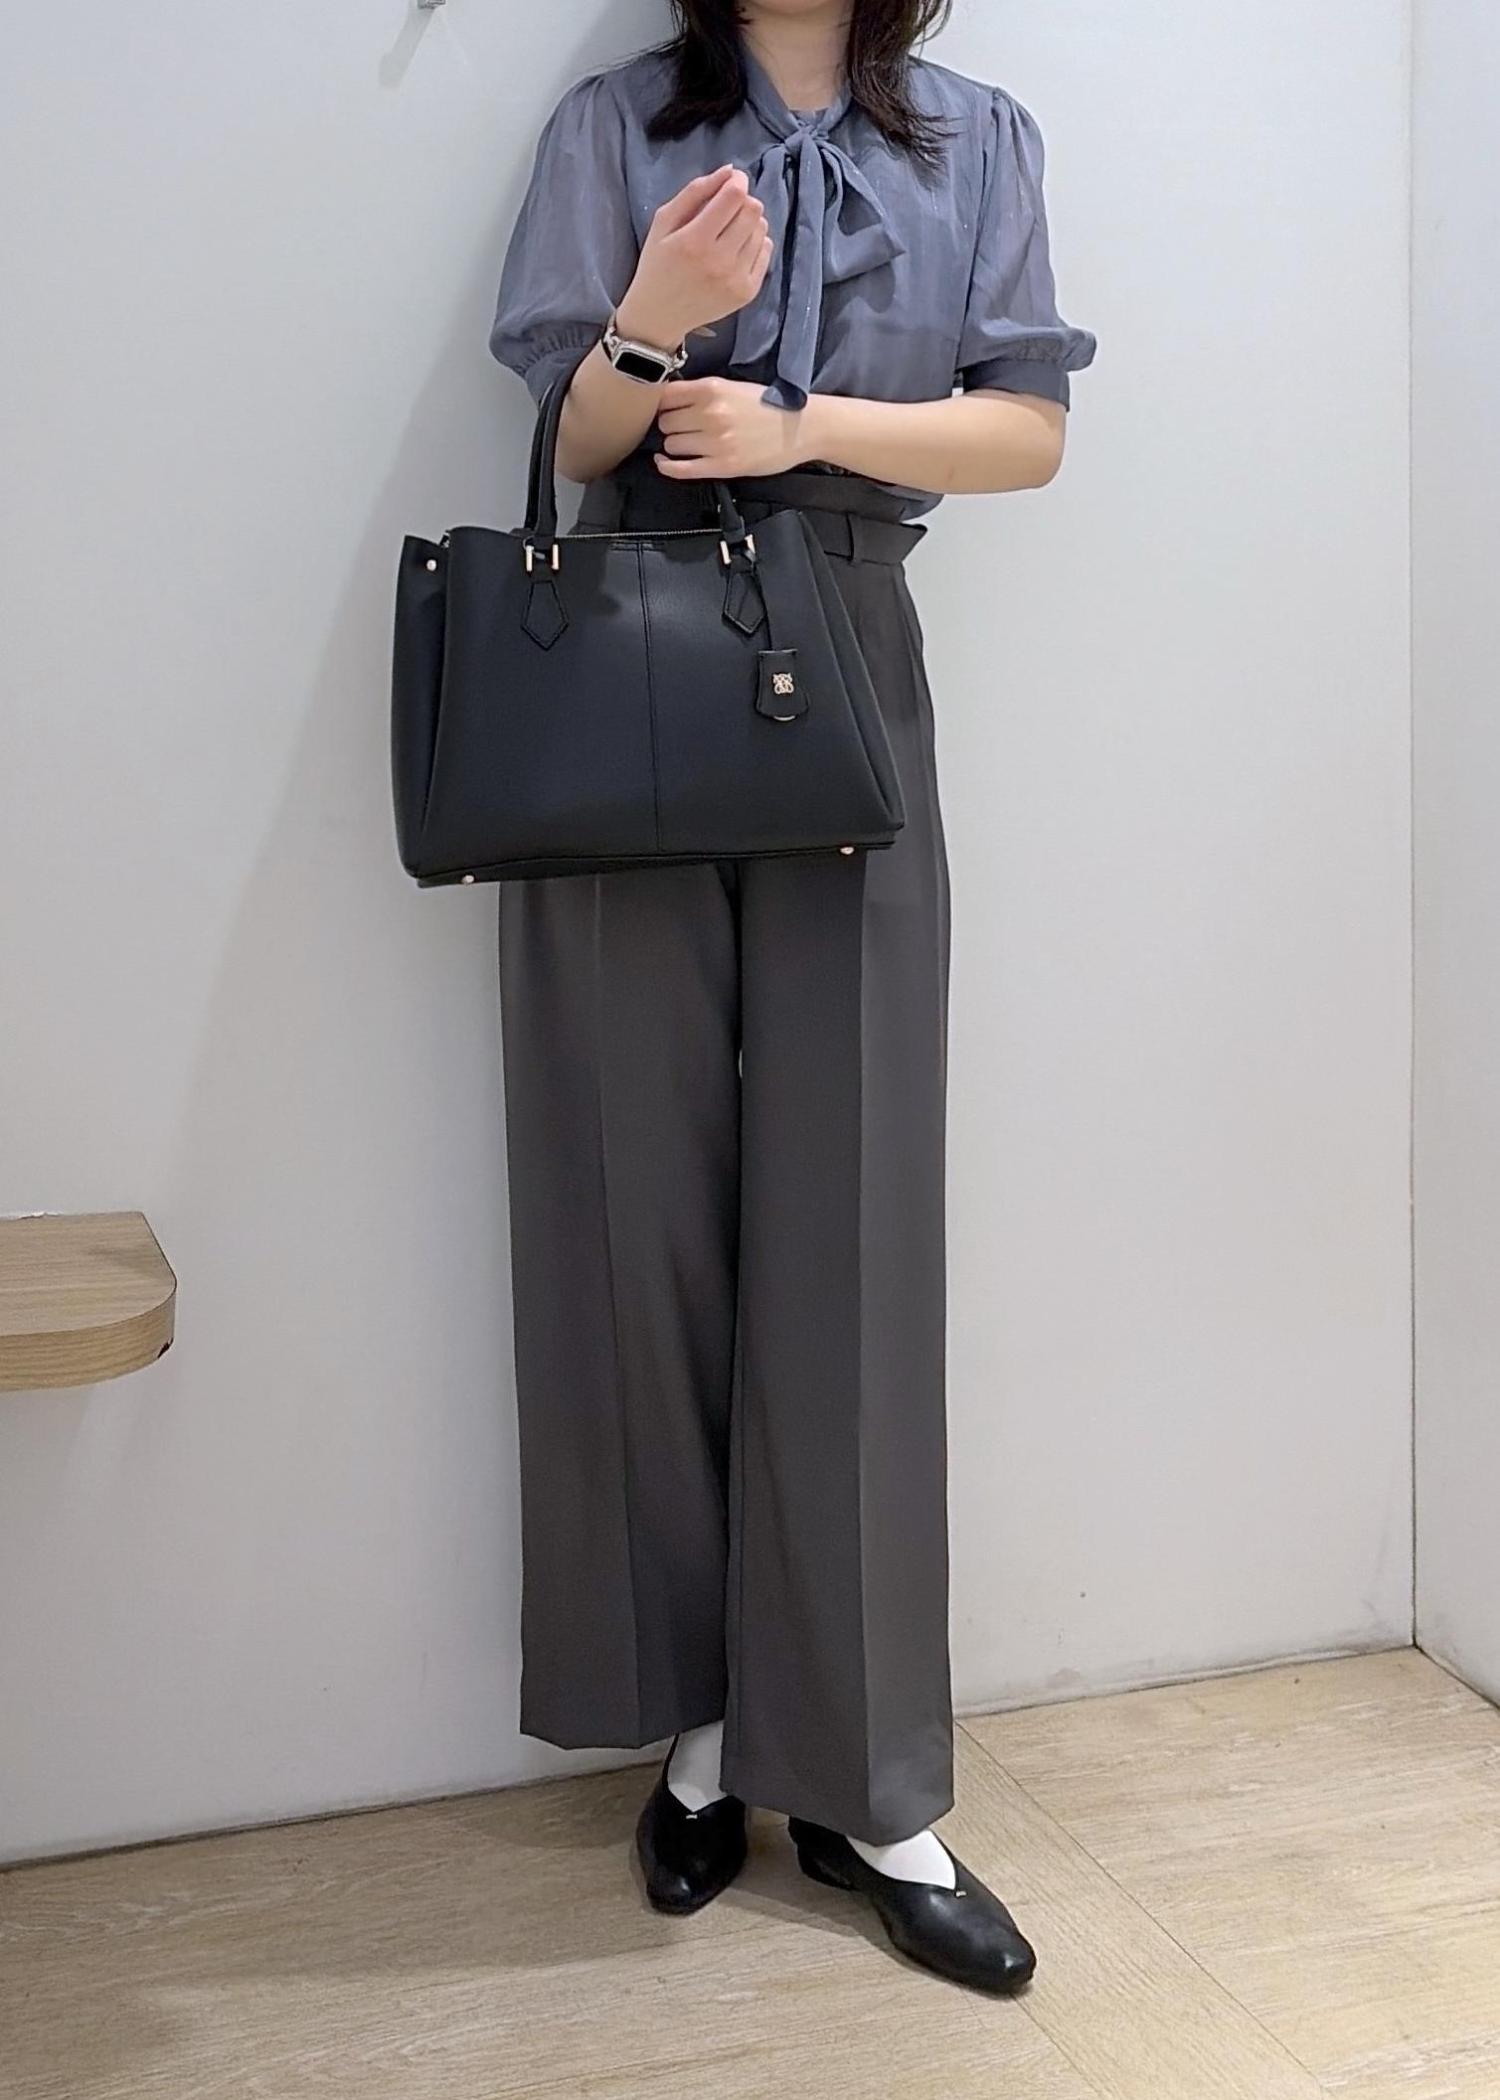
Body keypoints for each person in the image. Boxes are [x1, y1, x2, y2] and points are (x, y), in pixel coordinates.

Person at [487, 0, 1095, 1995]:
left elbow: (1030, 431)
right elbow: (568, 442)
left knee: (853, 1218)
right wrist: (655, 322)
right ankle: (700, 1733)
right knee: (628, 1197)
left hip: (845, 654)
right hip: (623, 667)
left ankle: (866, 1783)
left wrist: (805, 424)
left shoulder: (978, 138)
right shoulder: (616, 125)